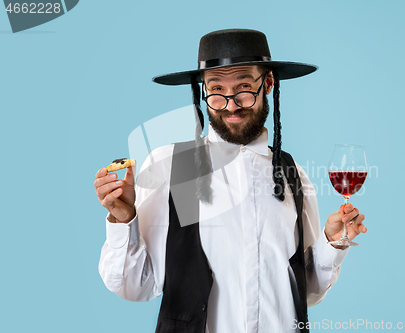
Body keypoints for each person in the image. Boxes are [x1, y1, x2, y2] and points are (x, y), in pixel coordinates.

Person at [95, 29, 367, 333]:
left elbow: (308, 293)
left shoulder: (293, 174)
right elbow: (135, 286)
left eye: (244, 87)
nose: (231, 104)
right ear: (203, 91)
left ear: (268, 83)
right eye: (216, 89)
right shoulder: (174, 167)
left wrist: (332, 243)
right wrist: (124, 220)